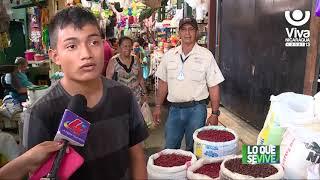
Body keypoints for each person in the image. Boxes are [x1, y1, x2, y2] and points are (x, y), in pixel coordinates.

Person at [23, 7, 148, 179]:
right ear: (55, 56)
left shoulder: (124, 96)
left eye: (93, 42)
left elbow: (137, 155)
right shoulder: (41, 113)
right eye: (72, 46)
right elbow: (35, 173)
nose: (87, 54)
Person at [152, 17, 225, 152]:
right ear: (179, 33)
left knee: (195, 149)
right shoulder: (169, 56)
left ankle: (191, 173)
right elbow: (163, 83)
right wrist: (157, 106)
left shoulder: (206, 56)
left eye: (191, 29)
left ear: (196, 32)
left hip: (196, 110)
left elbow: (214, 86)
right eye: (184, 29)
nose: (187, 33)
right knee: (170, 149)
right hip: (173, 110)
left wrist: (215, 114)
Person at [106, 36, 148, 106]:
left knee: (136, 115)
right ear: (119, 47)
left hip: (136, 96)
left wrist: (144, 92)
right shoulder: (113, 61)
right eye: (125, 46)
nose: (128, 48)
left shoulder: (135, 59)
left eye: (129, 46)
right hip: (120, 97)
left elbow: (140, 76)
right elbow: (108, 81)